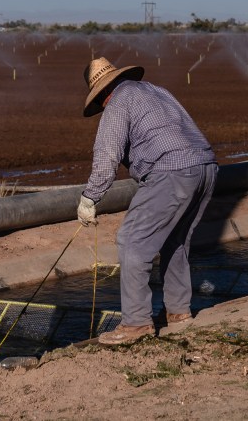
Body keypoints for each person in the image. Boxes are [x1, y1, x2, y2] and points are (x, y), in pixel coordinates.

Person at [77, 57, 217, 346]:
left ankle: (137, 323)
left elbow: (107, 155)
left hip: (171, 171)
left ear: (102, 93)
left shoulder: (117, 103)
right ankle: (178, 313)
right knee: (175, 242)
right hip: (205, 168)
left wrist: (90, 198)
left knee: (132, 241)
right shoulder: (156, 91)